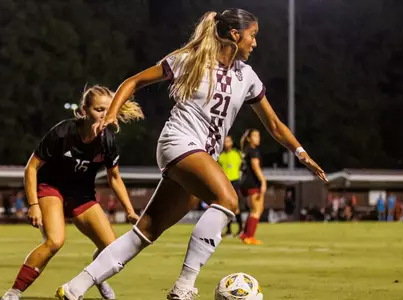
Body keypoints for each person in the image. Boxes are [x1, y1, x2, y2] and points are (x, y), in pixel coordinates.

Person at [56, 9, 327, 300]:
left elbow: (273, 124)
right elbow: (133, 82)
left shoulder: (246, 76)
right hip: (179, 142)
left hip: (199, 154)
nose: (255, 43)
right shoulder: (191, 60)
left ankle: (74, 288)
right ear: (235, 36)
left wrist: (301, 153)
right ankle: (184, 287)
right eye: (253, 35)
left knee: (144, 232)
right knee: (228, 200)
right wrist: (111, 115)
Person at [1, 85, 143, 300]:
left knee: (113, 250)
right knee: (55, 241)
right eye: (98, 110)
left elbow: (114, 178)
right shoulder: (62, 132)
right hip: (51, 189)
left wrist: (130, 211)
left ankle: (96, 277)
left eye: (108, 109)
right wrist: (33, 205)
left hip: (81, 195)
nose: (104, 115)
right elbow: (31, 168)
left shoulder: (107, 141)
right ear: (85, 110)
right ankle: (13, 292)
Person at [238, 129, 266, 244]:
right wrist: (263, 181)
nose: (258, 138)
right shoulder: (253, 151)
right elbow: (255, 167)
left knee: (255, 209)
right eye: (255, 136)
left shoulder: (246, 150)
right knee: (257, 210)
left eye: (258, 136)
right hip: (252, 183)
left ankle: (245, 234)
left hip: (245, 183)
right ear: (249, 139)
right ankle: (249, 236)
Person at [217, 136, 243, 236]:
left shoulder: (237, 154)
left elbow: (243, 165)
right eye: (225, 141)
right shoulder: (221, 156)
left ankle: (241, 228)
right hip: (225, 182)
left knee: (236, 207)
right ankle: (228, 230)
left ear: (232, 142)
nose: (226, 143)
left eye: (228, 141)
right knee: (226, 207)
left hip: (235, 181)